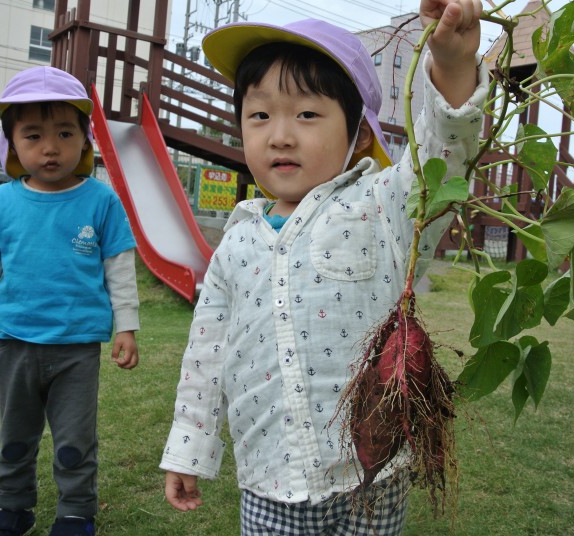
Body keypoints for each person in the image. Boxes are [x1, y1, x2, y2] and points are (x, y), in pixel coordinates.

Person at [160, 1, 487, 533]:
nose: (280, 135)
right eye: (259, 115)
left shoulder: (383, 204)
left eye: (307, 114)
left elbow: (443, 156)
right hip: (271, 476)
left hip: (374, 474)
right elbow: (206, 353)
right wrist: (189, 446)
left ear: (359, 134)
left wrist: (450, 64)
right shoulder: (236, 239)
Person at [0, 66, 140, 536]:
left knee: (74, 442)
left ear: (85, 140)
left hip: (77, 351)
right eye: (33, 135)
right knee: (14, 438)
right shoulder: (0, 203)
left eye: (65, 133)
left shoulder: (101, 201)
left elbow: (119, 268)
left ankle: (75, 512)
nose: (50, 148)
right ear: (12, 144)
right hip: (16, 347)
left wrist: (126, 326)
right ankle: (12, 506)